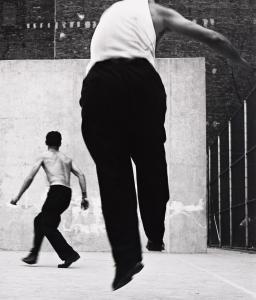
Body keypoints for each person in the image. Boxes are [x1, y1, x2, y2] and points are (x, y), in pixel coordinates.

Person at [79, 0, 253, 290]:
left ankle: (126, 259)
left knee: (113, 176)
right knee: (151, 163)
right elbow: (214, 37)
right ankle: (155, 233)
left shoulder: (109, 13)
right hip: (141, 82)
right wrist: (239, 60)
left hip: (97, 87)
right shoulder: (159, 13)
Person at [10, 131, 89, 268]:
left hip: (56, 192)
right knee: (40, 220)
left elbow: (30, 178)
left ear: (46, 142)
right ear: (60, 143)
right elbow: (81, 175)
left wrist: (18, 196)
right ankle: (34, 255)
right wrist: (84, 196)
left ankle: (69, 254)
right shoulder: (67, 159)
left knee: (47, 225)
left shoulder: (44, 156)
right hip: (66, 194)